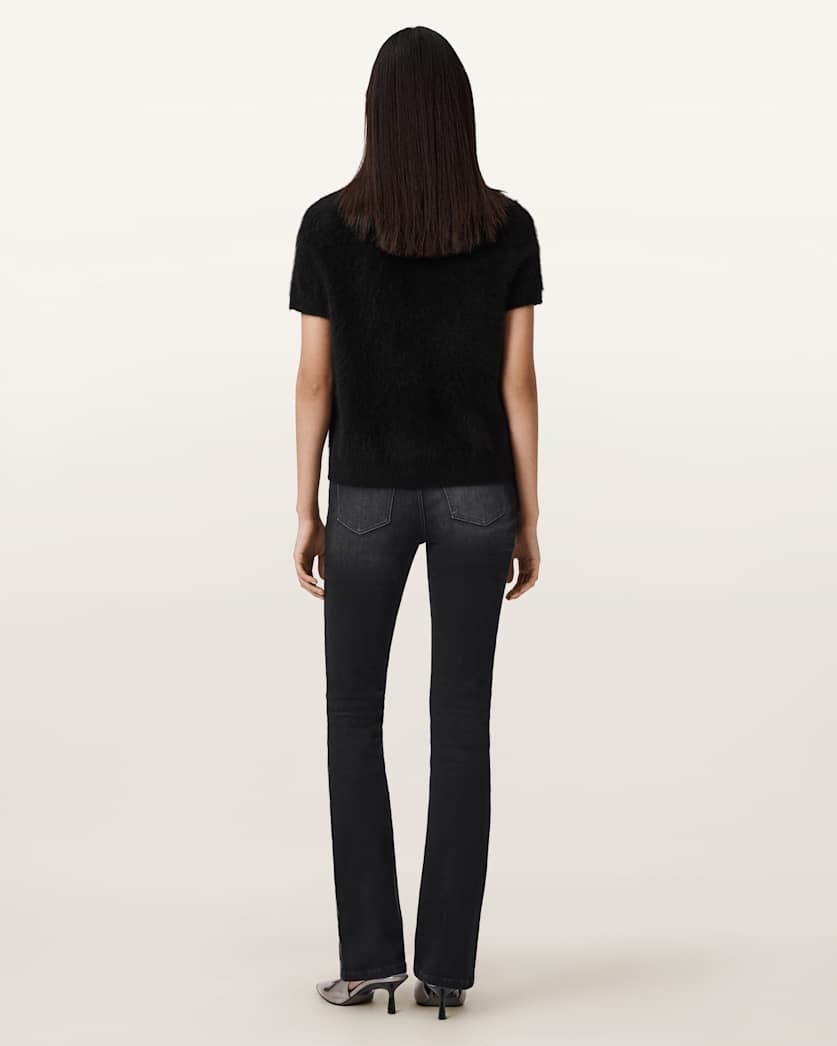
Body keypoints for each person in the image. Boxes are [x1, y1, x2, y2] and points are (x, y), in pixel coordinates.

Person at [289, 25, 543, 1020]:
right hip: (478, 494)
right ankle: (445, 971)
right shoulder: (508, 228)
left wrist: (303, 504)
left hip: (364, 496)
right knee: (461, 725)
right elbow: (517, 383)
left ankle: (367, 962)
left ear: (376, 116)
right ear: (458, 118)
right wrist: (529, 512)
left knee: (353, 718)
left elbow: (315, 381)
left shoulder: (326, 228)